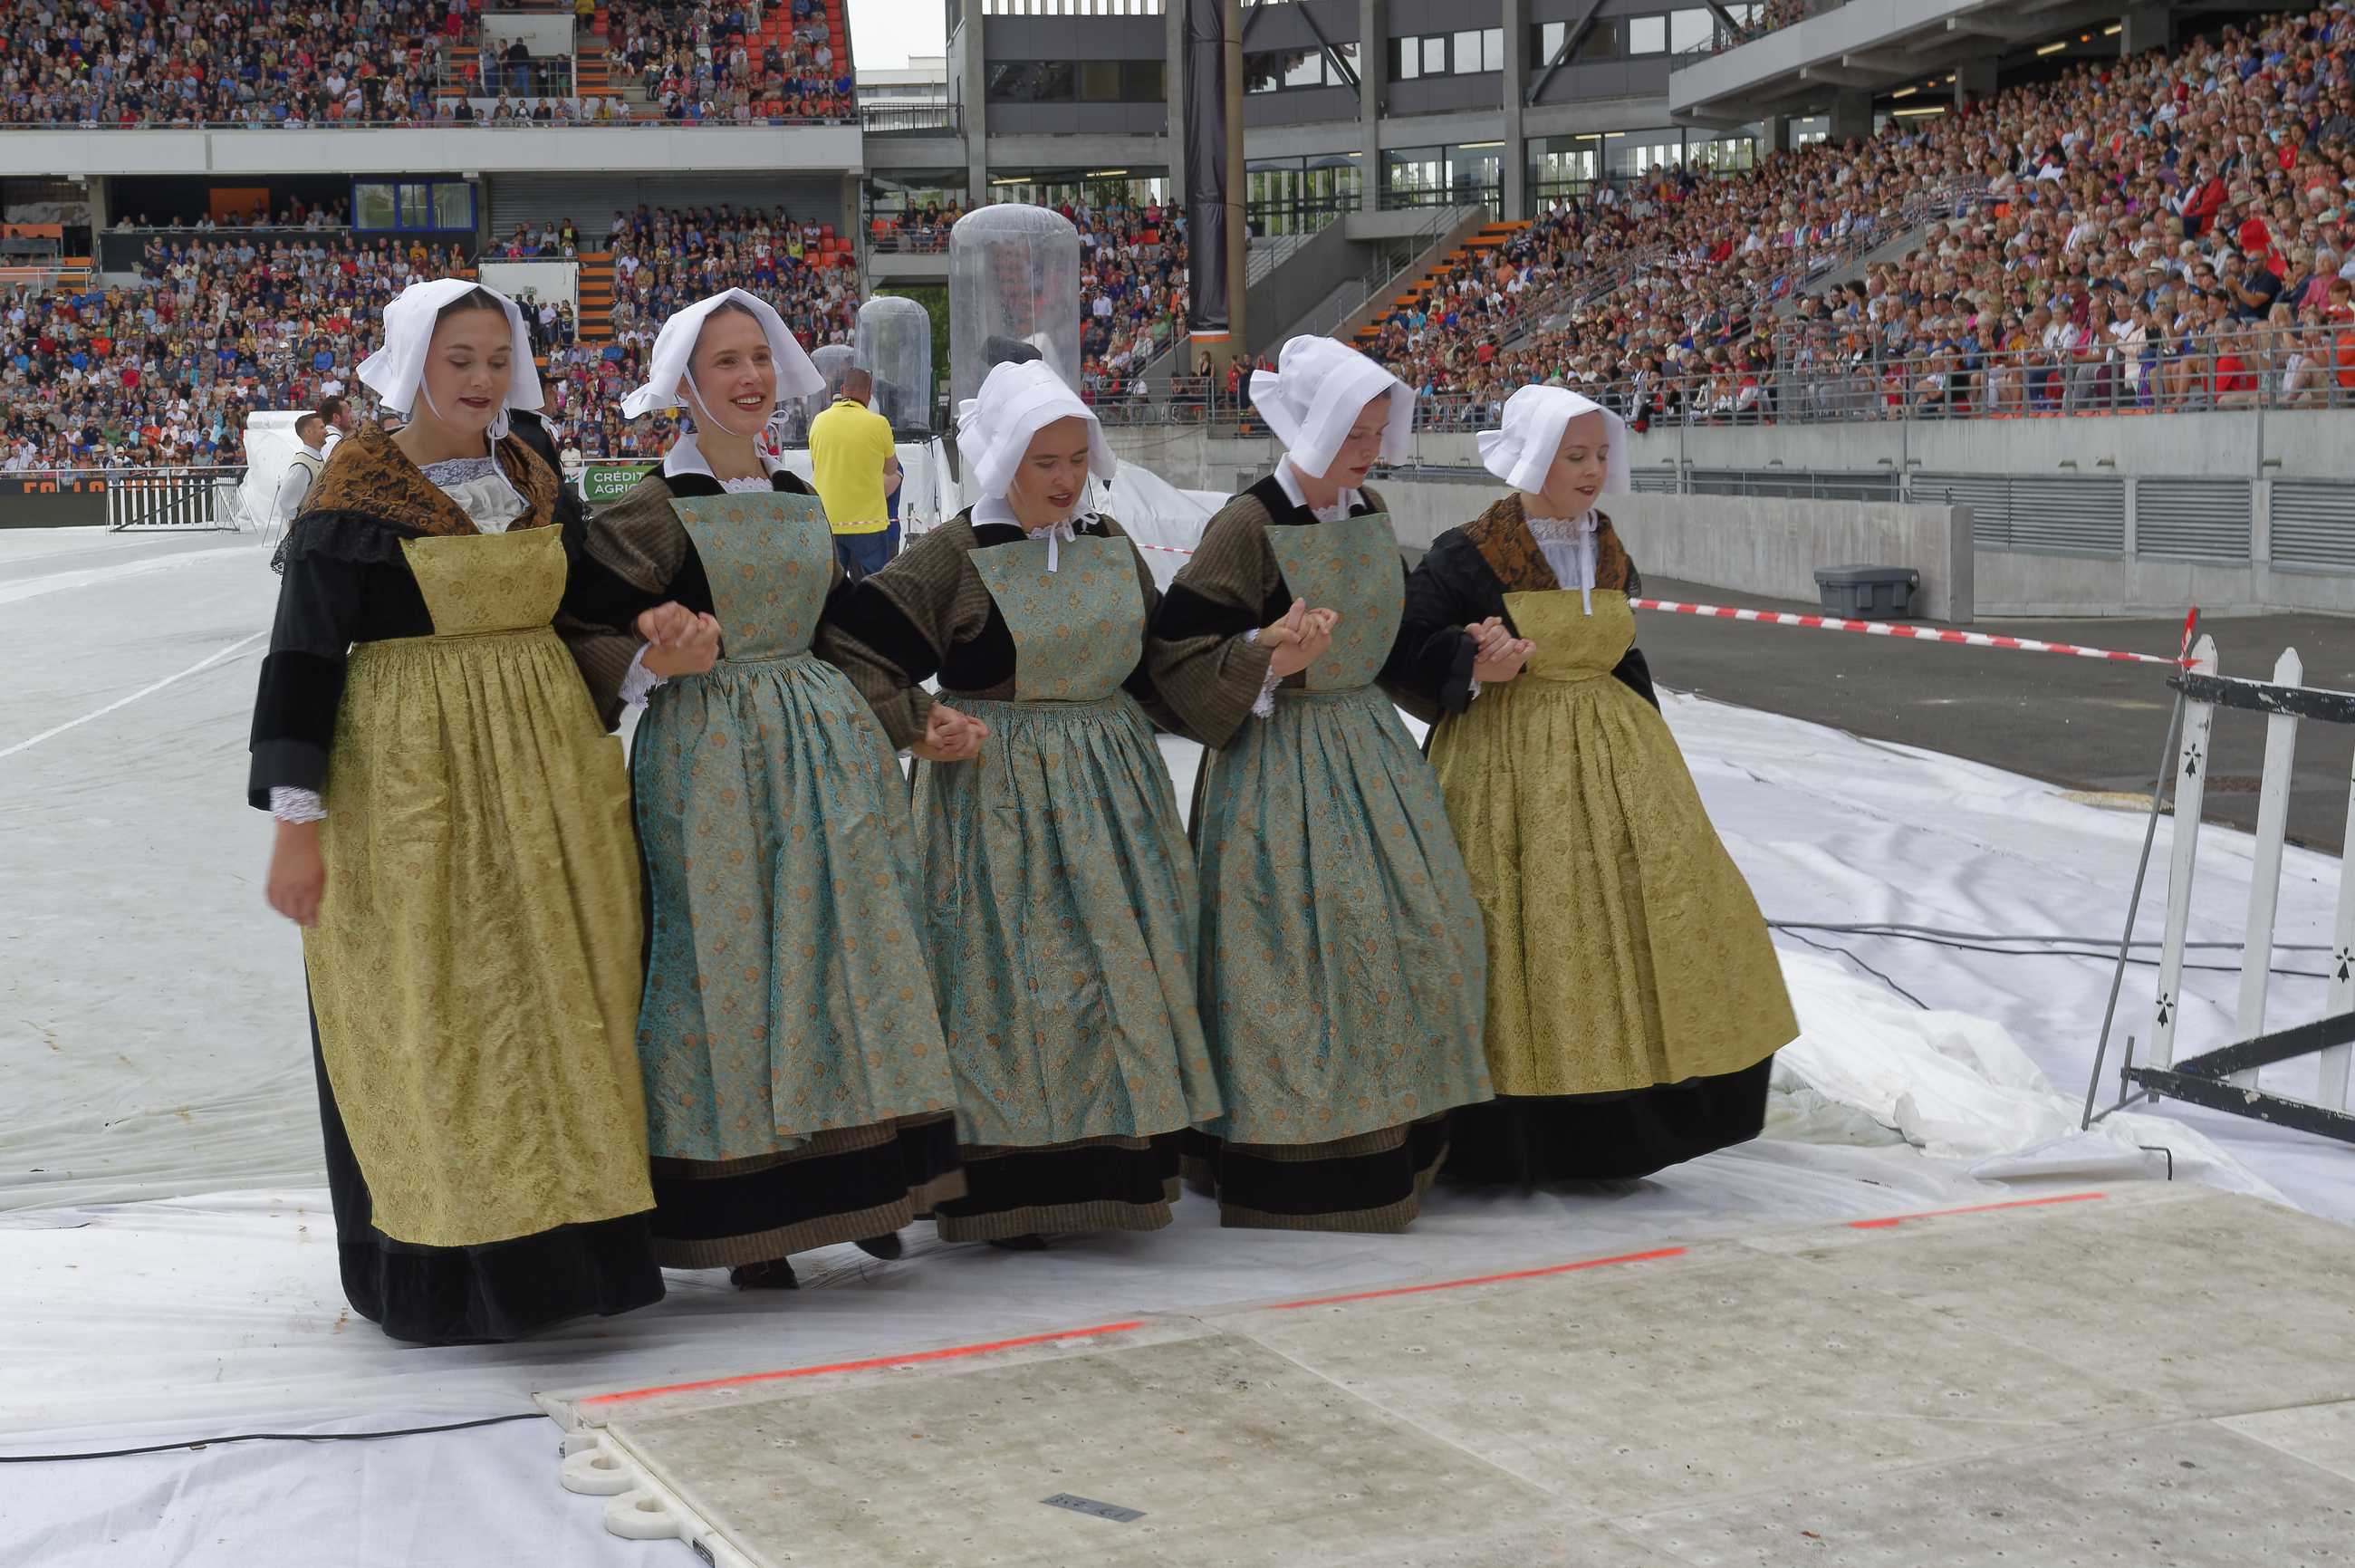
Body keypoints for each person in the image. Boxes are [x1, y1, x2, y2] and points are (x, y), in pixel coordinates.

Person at [249, 279, 692, 1344]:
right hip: (413, 784)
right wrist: (296, 821)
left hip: (545, 775)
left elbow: (584, 605)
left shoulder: (533, 475)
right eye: (460, 360)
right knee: (443, 1005)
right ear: (413, 365)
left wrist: (650, 637)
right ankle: (450, 1275)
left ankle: (576, 1262)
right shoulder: (355, 493)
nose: (482, 379)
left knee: (560, 997)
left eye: (497, 357)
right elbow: (302, 658)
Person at [554, 290, 966, 1290]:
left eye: (756, 360)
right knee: (730, 973)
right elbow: (580, 638)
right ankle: (752, 1218)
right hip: (713, 764)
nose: (747, 379)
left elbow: (836, 634)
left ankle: (859, 1186)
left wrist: (912, 716)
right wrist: (659, 665)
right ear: (683, 387)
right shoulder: (644, 517)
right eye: (724, 363)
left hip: (824, 759)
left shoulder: (794, 498)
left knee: (841, 960)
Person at [820, 359, 1220, 1246]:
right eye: (1045, 461)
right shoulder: (953, 556)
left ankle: (1112, 1168)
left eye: (1076, 457)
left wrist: (1256, 672)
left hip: (1113, 802)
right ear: (1001, 460)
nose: (1066, 478)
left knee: (1114, 981)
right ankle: (1005, 1182)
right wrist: (917, 721)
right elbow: (853, 648)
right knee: (1019, 990)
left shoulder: (1109, 540)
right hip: (995, 807)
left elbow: (1160, 668)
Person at [1399, 384, 1795, 1185]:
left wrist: (1653, 753)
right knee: (1527, 931)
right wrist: (1470, 663)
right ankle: (1510, 1138)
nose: (1590, 470)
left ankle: (1623, 1133)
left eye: (1599, 454)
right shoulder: (1469, 551)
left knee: (1667, 918)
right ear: (1533, 458)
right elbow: (1402, 646)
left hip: (1617, 764)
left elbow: (1620, 650)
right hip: (1505, 771)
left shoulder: (1604, 544)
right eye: (1574, 455)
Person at [1149, 334, 1491, 1232]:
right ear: (1310, 426)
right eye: (1354, 432)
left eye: (1377, 431)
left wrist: (1464, 660)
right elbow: (1171, 656)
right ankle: (1297, 1163)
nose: (1369, 450)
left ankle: (1395, 1136)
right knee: (1300, 955)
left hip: (1368, 754)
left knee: (1415, 933)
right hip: (1276, 765)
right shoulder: (1247, 525)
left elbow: (1389, 634)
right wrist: (1262, 658)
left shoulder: (1364, 506)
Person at [808, 366, 901, 576]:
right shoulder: (878, 424)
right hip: (868, 524)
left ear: (842, 389)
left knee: (833, 589)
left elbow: (817, 466)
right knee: (873, 587)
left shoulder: (819, 422)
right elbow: (891, 469)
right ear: (869, 394)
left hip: (829, 522)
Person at [272, 411, 328, 530]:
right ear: (308, 432)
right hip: (307, 528)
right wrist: (297, 524)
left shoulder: (317, 459)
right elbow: (285, 501)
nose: (326, 432)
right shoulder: (302, 465)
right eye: (322, 428)